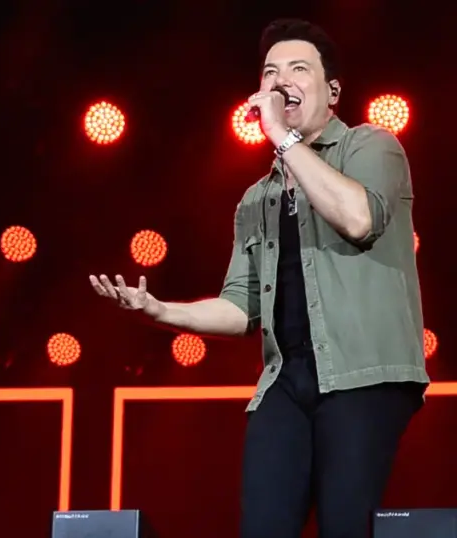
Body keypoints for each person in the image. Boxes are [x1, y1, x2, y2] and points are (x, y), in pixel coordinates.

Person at [89, 19, 429, 538]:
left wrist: (285, 140)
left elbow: (359, 218)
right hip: (285, 383)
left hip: (364, 375)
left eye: (298, 68)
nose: (281, 79)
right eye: (270, 71)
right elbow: (240, 307)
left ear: (332, 90)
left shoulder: (371, 146)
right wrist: (159, 310)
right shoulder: (257, 198)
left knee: (346, 524)